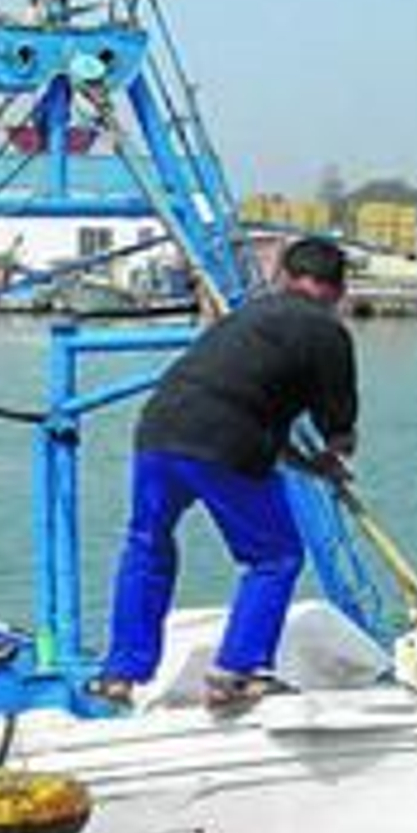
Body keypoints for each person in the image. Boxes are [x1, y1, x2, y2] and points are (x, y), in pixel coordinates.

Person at [90, 235, 358, 714]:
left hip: (158, 430)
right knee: (275, 556)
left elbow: (244, 403)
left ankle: (121, 671)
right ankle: (238, 672)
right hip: (226, 443)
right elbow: (338, 430)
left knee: (147, 543)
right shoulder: (326, 332)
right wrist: (334, 460)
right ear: (338, 290)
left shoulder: (246, 317)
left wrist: (307, 465)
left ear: (283, 277)